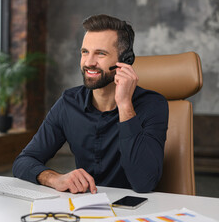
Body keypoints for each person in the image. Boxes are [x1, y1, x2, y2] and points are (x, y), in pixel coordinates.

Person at [12, 14, 168, 194]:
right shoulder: (68, 103)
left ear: (126, 60)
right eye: (85, 52)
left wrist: (125, 105)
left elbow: (144, 183)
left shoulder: (153, 105)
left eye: (100, 53)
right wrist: (54, 178)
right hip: (83, 209)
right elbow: (23, 161)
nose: (89, 62)